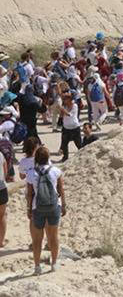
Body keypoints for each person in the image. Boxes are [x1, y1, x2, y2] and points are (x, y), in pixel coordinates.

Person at [25, 146, 65, 275]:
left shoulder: (31, 173)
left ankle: (37, 267)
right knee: (53, 236)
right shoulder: (56, 171)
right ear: (48, 157)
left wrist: (29, 209)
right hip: (53, 206)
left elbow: (29, 194)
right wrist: (63, 205)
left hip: (38, 207)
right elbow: (61, 190)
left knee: (37, 239)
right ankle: (54, 264)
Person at [57, 93, 82, 162]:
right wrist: (61, 112)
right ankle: (65, 157)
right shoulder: (64, 106)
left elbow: (69, 114)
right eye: (63, 99)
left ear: (70, 99)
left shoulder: (75, 106)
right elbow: (62, 116)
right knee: (64, 144)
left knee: (79, 144)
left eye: (65, 99)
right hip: (66, 128)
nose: (64, 100)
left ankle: (82, 156)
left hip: (75, 127)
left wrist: (62, 109)